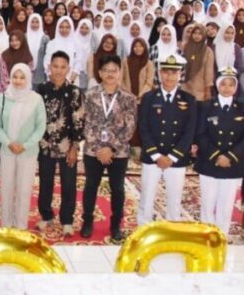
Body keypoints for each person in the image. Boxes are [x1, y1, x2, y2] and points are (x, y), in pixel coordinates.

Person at [80, 54, 137, 242]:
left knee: (118, 189)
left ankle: (115, 225)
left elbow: (130, 127)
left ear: (120, 73)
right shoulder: (90, 95)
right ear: (99, 73)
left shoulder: (128, 98)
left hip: (118, 152)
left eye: (114, 70)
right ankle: (87, 221)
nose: (110, 74)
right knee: (90, 187)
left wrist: (111, 149)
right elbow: (85, 124)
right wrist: (99, 149)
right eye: (106, 70)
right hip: (93, 151)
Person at [137, 54, 197, 225]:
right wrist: (157, 155)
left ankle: (172, 234)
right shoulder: (149, 98)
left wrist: (172, 157)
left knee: (174, 200)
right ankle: (143, 231)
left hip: (176, 159)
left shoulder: (188, 100)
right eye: (166, 72)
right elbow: (144, 128)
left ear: (180, 75)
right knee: (146, 198)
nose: (169, 76)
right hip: (152, 157)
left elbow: (189, 131)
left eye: (174, 72)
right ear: (159, 73)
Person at [36, 51, 84, 237]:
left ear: (68, 69)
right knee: (45, 182)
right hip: (45, 146)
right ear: (49, 67)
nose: (58, 70)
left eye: (63, 67)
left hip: (67, 147)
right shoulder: (41, 90)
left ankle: (67, 220)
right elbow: (36, 119)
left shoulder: (74, 92)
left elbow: (79, 121)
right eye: (55, 66)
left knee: (69, 183)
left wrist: (74, 147)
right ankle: (46, 215)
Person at [0, 63, 46, 229]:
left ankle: (21, 225)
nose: (18, 81)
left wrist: (25, 145)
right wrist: (8, 143)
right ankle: (6, 225)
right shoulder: (2, 97)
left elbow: (40, 127)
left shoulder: (36, 99)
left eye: (22, 77)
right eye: (15, 77)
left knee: (24, 190)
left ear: (28, 78)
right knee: (6, 189)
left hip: (28, 152)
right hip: (7, 151)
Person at [195, 67, 244, 237]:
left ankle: (221, 236)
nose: (227, 88)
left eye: (232, 84)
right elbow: (200, 133)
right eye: (223, 84)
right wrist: (217, 156)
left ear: (236, 87)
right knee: (208, 202)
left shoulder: (241, 107)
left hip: (233, 163)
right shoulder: (206, 106)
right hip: (210, 161)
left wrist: (230, 156)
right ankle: (205, 236)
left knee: (226, 203)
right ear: (217, 86)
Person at [181, 23, 215, 101]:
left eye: (200, 33)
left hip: (199, 88)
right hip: (184, 86)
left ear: (204, 35)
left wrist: (208, 91)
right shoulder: (184, 47)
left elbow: (209, 73)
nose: (197, 36)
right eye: (195, 33)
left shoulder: (208, 51)